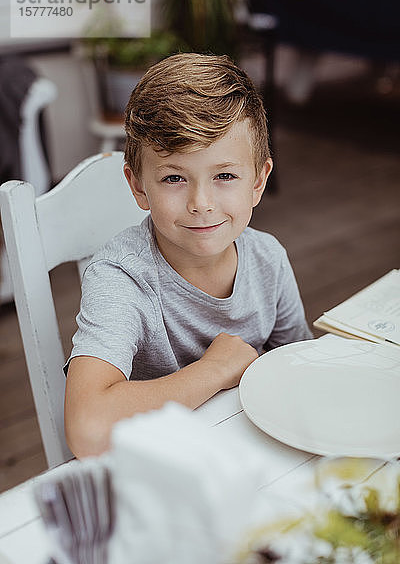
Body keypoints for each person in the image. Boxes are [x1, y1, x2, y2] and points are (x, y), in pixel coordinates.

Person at [64, 53, 312, 458]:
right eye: (174, 178)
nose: (201, 203)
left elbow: (299, 371)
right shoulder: (121, 276)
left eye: (225, 176)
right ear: (140, 186)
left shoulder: (268, 259)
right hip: (156, 473)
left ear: (258, 181)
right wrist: (214, 370)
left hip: (247, 459)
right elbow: (88, 430)